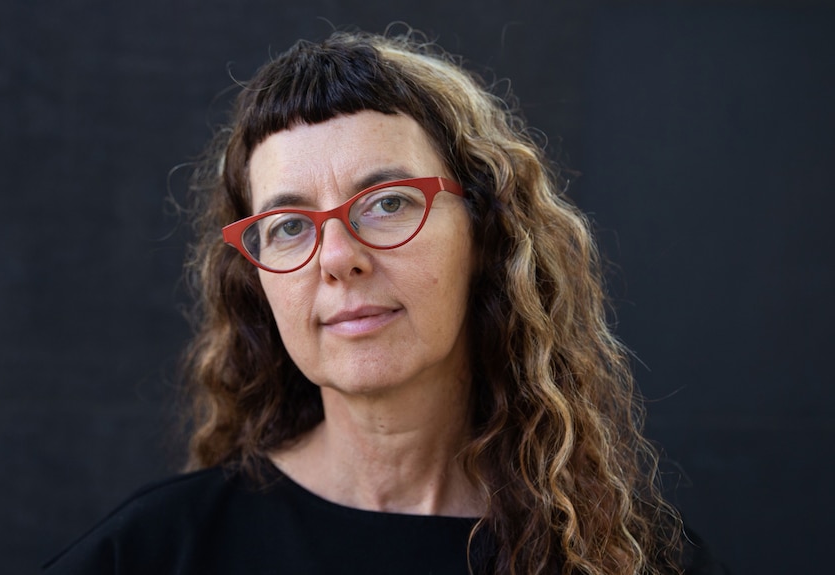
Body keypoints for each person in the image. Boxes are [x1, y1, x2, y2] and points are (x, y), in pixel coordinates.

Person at [44, 28, 727, 575]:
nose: (339, 256)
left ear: (485, 235)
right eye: (288, 225)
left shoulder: (629, 558)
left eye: (387, 203)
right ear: (256, 278)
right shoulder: (152, 553)